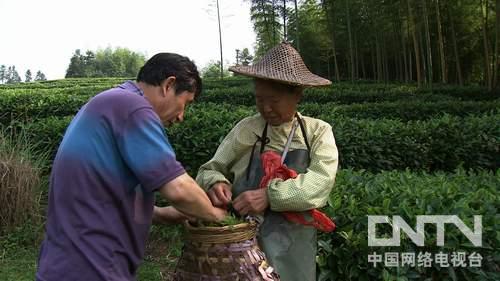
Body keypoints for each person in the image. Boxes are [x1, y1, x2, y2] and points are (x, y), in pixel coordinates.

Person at [36, 53, 227, 281]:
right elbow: (178, 188)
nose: (181, 117)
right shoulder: (133, 108)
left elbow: (100, 197)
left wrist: (164, 214)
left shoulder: (110, 102)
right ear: (169, 84)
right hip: (92, 266)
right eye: (185, 103)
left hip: (67, 264)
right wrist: (219, 218)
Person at [196, 42, 339, 281]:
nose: (266, 108)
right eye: (259, 99)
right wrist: (215, 183)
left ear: (298, 95)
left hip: (293, 245)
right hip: (243, 243)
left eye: (274, 100)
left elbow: (320, 182)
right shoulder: (247, 129)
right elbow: (210, 169)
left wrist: (268, 196)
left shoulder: (317, 132)